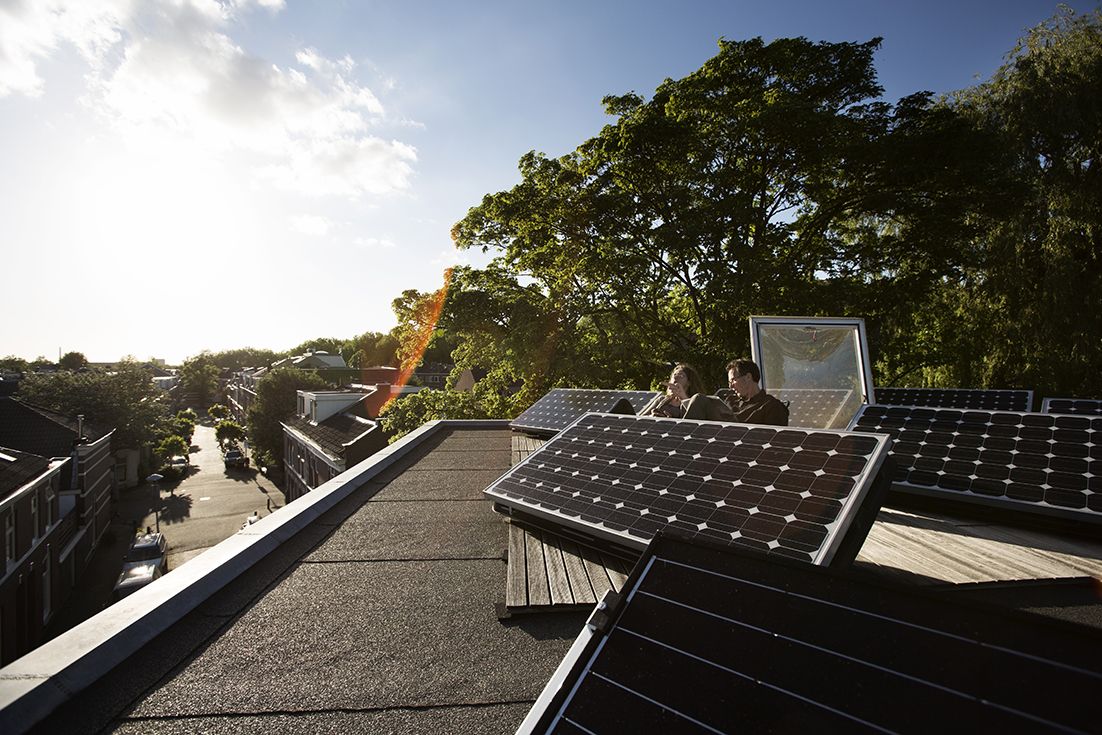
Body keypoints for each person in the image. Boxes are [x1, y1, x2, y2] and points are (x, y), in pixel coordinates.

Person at [636, 363, 710, 418]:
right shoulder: (662, 400)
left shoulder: (696, 402)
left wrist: (683, 396)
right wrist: (651, 416)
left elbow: (694, 421)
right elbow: (639, 418)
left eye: (681, 375)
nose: (676, 377)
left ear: (689, 382)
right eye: (674, 375)